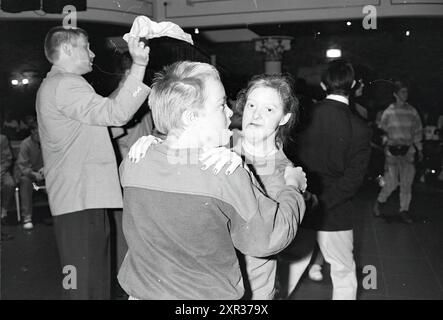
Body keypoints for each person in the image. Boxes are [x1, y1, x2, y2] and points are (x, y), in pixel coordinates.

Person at [118, 61, 306, 300]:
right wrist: (155, 140)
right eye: (250, 105)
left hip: (251, 286)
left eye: (269, 109)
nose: (252, 114)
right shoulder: (223, 151)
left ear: (284, 118)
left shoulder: (279, 168)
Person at [36, 26, 150, 300]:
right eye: (86, 46)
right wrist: (140, 64)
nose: (92, 53)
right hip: (81, 199)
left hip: (80, 199)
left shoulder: (56, 85)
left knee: (86, 286)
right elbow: (116, 114)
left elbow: (100, 123)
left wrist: (125, 89)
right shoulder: (66, 84)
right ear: (65, 50)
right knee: (84, 288)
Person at [296, 59, 372, 300]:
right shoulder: (360, 127)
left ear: (322, 84)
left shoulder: (304, 118)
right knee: (343, 272)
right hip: (335, 213)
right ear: (354, 85)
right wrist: (324, 203)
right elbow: (352, 181)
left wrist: (309, 200)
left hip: (299, 205)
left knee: (287, 271)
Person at [373, 81, 423, 223]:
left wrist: (419, 149)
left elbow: (417, 131)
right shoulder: (388, 112)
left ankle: (404, 210)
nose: (405, 95)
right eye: (402, 92)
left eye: (406, 92)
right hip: (392, 152)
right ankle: (379, 202)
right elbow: (382, 131)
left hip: (408, 151)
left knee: (407, 182)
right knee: (391, 182)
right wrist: (385, 142)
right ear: (395, 94)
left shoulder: (412, 111)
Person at [14, 119, 44, 230]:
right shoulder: (25, 144)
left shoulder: (47, 142)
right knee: (25, 181)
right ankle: (27, 216)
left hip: (44, 173)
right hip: (29, 174)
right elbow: (22, 166)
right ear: (32, 132)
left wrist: (46, 169)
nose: (39, 135)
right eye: (36, 132)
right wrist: (33, 174)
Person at [1, 133, 15, 240]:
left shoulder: (2, 139)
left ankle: (3, 210)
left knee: (9, 183)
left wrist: (1, 170)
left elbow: (8, 159)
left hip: (2, 170)